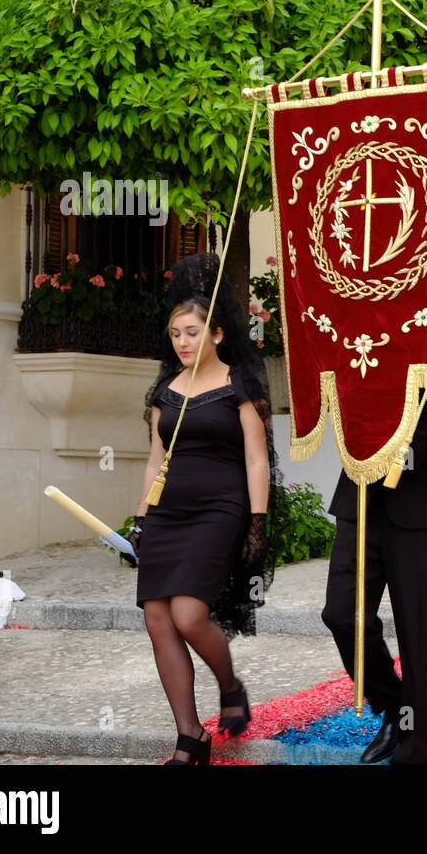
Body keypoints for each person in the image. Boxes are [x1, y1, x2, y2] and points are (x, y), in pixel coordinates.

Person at [134, 254, 278, 765]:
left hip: (220, 508)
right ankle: (190, 738)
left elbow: (257, 458)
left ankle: (230, 683)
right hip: (168, 514)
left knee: (190, 615)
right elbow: (154, 460)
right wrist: (141, 519)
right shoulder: (163, 392)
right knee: (158, 618)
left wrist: (257, 522)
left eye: (192, 332)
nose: (182, 343)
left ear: (216, 333)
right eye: (175, 334)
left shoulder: (240, 386)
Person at [321, 405, 427, 765]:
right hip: (361, 492)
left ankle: (416, 748)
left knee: (422, 633)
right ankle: (393, 707)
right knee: (342, 613)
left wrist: (394, 453)